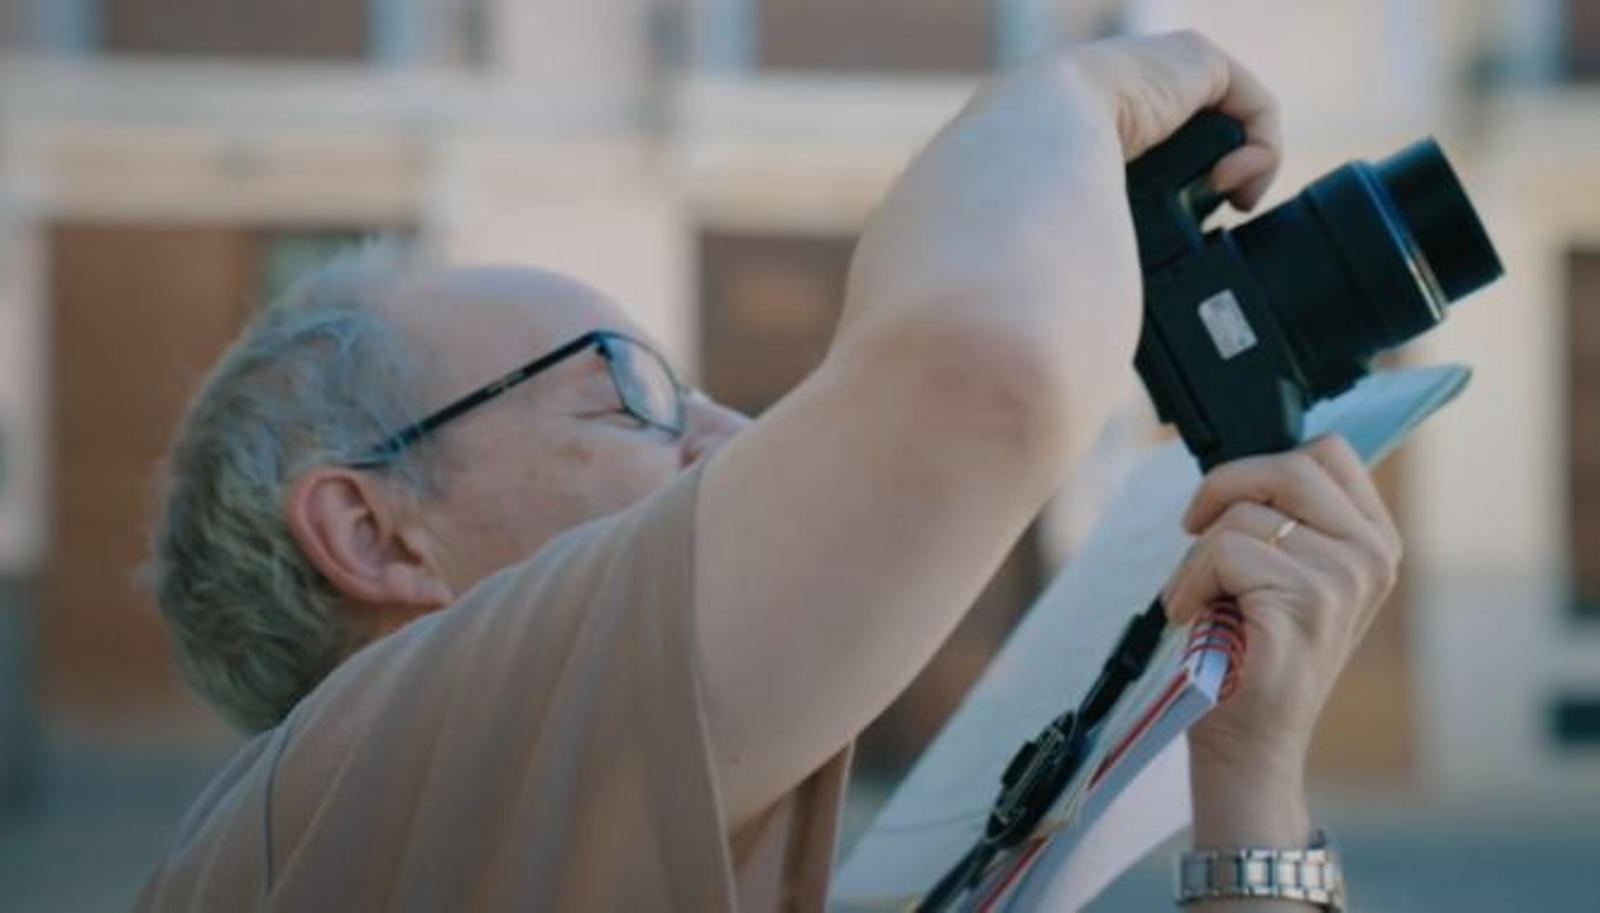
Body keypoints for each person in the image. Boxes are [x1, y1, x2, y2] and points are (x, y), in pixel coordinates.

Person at [139, 31, 1396, 912]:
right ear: (374, 533)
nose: (733, 437)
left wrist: (1246, 784)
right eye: (626, 392)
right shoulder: (332, 810)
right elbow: (979, 371)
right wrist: (1077, 94)